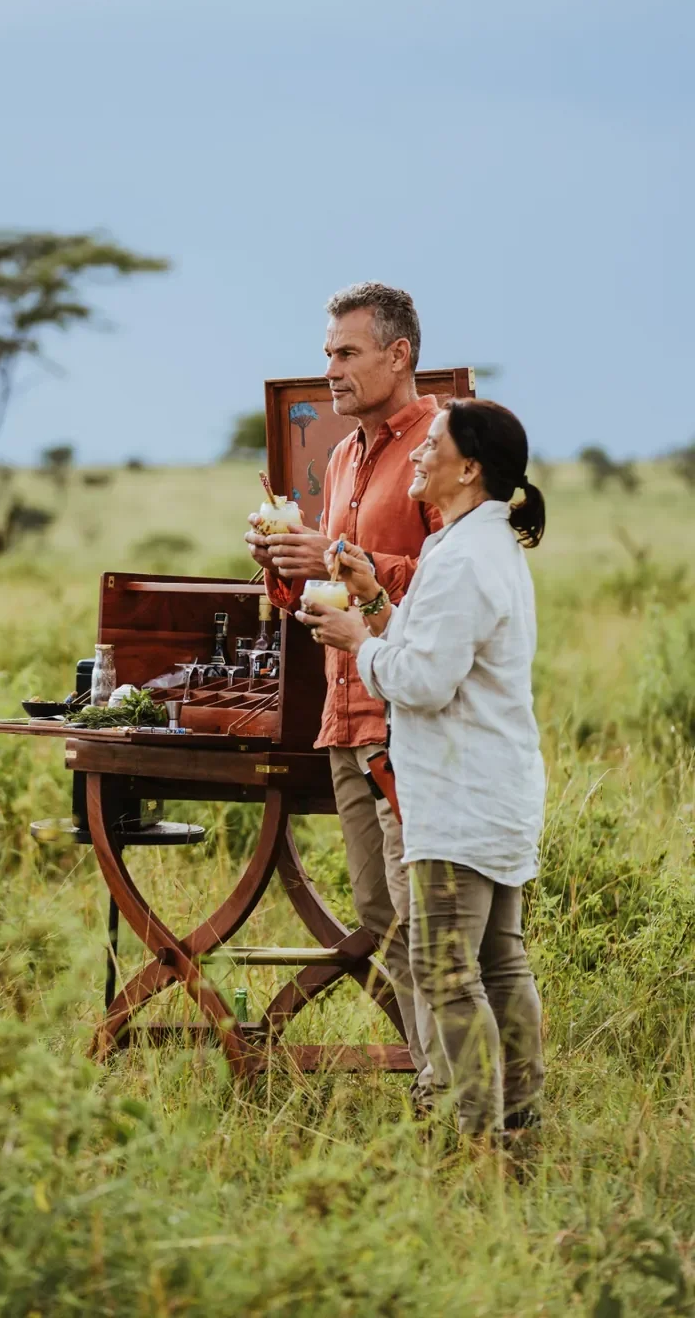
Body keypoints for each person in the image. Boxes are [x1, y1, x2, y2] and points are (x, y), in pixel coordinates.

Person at [297, 399, 546, 1141]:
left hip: (457, 799)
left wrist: (357, 641)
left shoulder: (464, 556)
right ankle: (517, 1124)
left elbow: (425, 681)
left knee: (445, 971)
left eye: (431, 445)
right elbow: (427, 645)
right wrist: (376, 600)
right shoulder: (474, 543)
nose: (417, 453)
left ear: (468, 468)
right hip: (493, 788)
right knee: (499, 963)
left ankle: (479, 1134)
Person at [245, 282, 444, 1096]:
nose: (330, 368)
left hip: (409, 715)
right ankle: (439, 1078)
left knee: (425, 917)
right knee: (384, 919)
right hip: (345, 713)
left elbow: (456, 584)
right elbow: (323, 593)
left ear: (398, 354)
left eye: (347, 352)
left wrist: (339, 557)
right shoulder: (341, 454)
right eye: (327, 353)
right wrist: (285, 563)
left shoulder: (442, 446)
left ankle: (455, 1093)